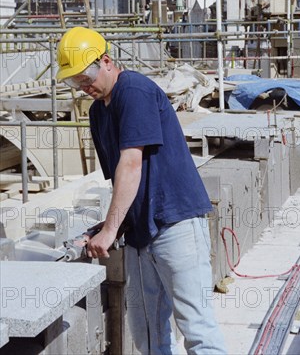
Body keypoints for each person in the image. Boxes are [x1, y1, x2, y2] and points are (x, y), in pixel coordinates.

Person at [56, 26, 226, 355]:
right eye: (74, 81)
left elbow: (132, 164)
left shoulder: (134, 90)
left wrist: (108, 231)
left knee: (197, 329)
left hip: (175, 224)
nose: (83, 86)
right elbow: (121, 179)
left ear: (106, 61)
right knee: (147, 333)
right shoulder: (97, 113)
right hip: (140, 234)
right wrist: (107, 227)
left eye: (86, 76)